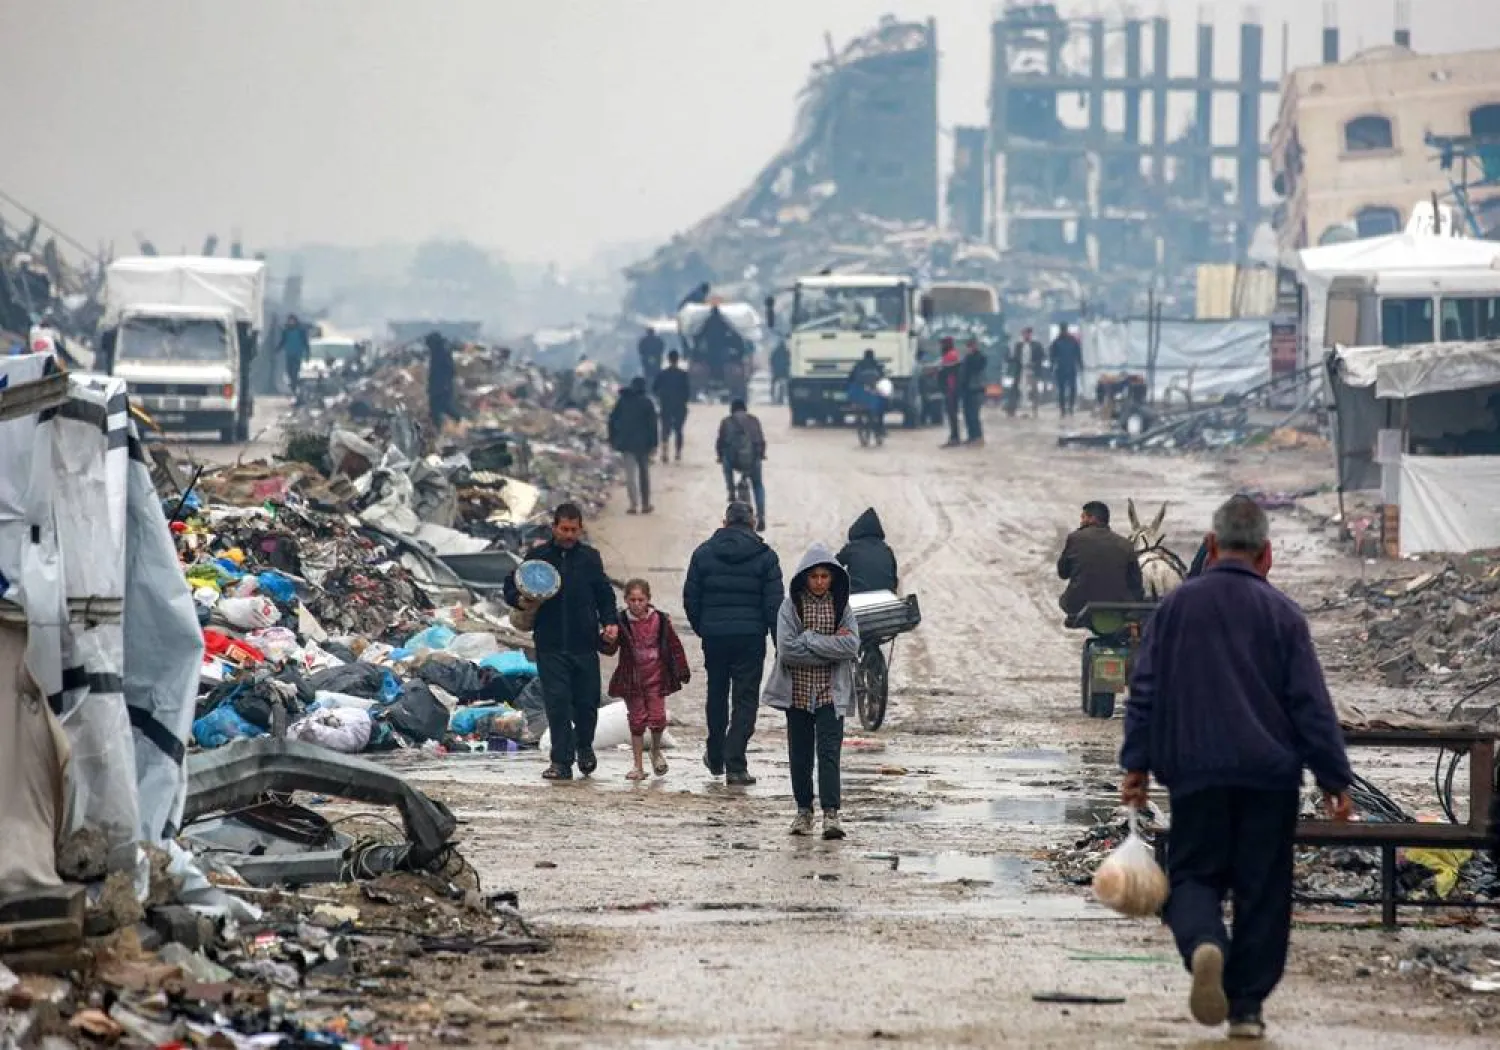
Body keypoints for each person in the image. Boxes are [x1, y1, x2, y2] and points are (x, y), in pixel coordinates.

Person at [1120, 495, 1354, 1040]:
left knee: (1194, 875)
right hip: (1269, 779)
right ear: (1267, 553)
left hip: (1195, 772)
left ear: (1209, 546)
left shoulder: (1176, 608)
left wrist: (1136, 764)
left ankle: (1204, 943)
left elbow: (1144, 690)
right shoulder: (1284, 615)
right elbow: (1310, 705)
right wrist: (1333, 779)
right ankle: (1246, 1007)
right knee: (1263, 891)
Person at [502, 504, 619, 781]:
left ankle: (585, 747)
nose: (568, 535)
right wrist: (520, 600)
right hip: (550, 643)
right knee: (557, 703)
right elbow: (512, 584)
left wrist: (610, 622)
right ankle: (561, 762)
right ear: (554, 527)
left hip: (584, 643)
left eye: (573, 530)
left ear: (580, 529)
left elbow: (604, 593)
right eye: (564, 529)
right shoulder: (538, 557)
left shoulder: (590, 558)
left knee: (587, 704)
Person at [762, 544, 861, 840]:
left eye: (824, 577)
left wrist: (809, 639)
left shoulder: (841, 607)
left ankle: (832, 814)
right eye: (814, 577)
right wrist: (830, 646)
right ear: (804, 578)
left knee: (829, 754)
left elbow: (851, 646)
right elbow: (788, 651)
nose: (819, 582)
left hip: (832, 693)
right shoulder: (790, 607)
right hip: (798, 694)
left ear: (832, 578)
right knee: (800, 755)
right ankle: (804, 811)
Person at [683, 501, 784, 785]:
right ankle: (736, 764)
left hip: (715, 637)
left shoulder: (703, 553)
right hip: (750, 638)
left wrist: (703, 628)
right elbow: (774, 606)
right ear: (753, 523)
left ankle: (715, 755)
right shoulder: (766, 556)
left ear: (724, 522)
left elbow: (691, 597)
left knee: (716, 693)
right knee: (745, 698)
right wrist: (779, 645)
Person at [600, 579, 691, 781]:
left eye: (641, 600)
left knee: (658, 719)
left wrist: (682, 670)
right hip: (632, 679)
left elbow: (674, 646)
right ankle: (637, 765)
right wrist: (607, 640)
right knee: (637, 721)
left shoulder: (660, 620)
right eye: (632, 600)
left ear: (648, 600)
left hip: (657, 677)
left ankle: (655, 751)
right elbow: (609, 649)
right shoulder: (621, 622)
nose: (637, 604)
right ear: (626, 600)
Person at [1057, 500, 1145, 628]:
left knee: (1065, 601)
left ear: (1092, 518)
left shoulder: (1075, 538)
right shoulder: (1125, 544)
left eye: (1083, 517)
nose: (1081, 521)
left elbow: (1063, 573)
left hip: (1080, 605)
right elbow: (1136, 583)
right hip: (1120, 607)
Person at [608, 377, 659, 515]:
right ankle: (646, 504)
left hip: (626, 444)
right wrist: (654, 444)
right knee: (644, 474)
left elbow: (612, 420)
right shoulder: (647, 402)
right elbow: (653, 426)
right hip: (643, 445)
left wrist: (613, 439)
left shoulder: (623, 401)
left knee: (630, 475)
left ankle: (633, 505)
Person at [716, 398, 767, 531]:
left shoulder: (726, 422)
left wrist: (720, 457)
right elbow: (761, 440)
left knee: (726, 465)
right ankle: (761, 515)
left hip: (733, 460)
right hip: (753, 458)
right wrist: (761, 454)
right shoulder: (754, 420)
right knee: (757, 484)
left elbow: (720, 443)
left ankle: (731, 491)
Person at [836, 508, 898, 594]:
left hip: (859, 599)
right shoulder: (886, 550)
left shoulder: (853, 547)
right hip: (887, 598)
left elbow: (833, 566)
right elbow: (894, 581)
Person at [652, 349, 691, 463]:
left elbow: (654, 388)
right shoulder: (683, 374)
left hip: (666, 405)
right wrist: (683, 400)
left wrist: (661, 396)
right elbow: (688, 392)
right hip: (679, 406)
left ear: (669, 359)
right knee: (679, 430)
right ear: (677, 359)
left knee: (665, 430)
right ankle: (678, 453)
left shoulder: (662, 374)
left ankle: (664, 453)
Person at [846, 349, 886, 440]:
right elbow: (882, 378)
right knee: (882, 406)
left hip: (860, 393)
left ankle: (857, 416)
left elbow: (850, 378)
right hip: (873, 393)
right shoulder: (877, 365)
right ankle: (881, 426)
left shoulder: (859, 365)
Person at [425, 330, 458, 430]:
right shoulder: (437, 352)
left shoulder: (442, 353)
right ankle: (438, 429)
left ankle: (460, 421)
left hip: (442, 388)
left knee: (443, 408)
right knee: (437, 410)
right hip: (436, 387)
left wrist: (445, 385)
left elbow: (451, 370)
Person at [1050, 325, 1084, 416]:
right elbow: (1052, 356)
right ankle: (1063, 409)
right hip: (1061, 368)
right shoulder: (1057, 342)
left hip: (1071, 367)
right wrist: (1052, 366)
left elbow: (1078, 354)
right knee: (1061, 390)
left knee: (1072, 388)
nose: (1063, 331)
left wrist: (1080, 365)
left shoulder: (1072, 341)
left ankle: (1071, 407)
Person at [960, 337, 988, 446]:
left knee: (974, 415)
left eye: (971, 346)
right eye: (968, 346)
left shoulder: (980, 357)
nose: (969, 348)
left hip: (976, 389)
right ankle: (971, 436)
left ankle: (978, 437)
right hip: (967, 389)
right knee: (967, 414)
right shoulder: (967, 358)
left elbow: (977, 368)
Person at [938, 338, 963, 448]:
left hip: (952, 388)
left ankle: (955, 438)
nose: (941, 346)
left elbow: (948, 370)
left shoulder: (951, 355)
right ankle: (954, 437)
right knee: (951, 415)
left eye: (942, 344)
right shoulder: (950, 354)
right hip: (950, 388)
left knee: (952, 415)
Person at [279, 314, 311, 397]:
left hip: (297, 354)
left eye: (292, 320)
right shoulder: (286, 331)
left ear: (295, 321)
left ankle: (294, 388)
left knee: (295, 372)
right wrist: (277, 349)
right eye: (290, 320)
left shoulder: (300, 331)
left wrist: (307, 354)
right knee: (289, 371)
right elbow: (283, 341)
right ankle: (293, 386)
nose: (291, 322)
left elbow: (305, 343)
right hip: (289, 354)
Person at [770, 338, 791, 405]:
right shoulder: (786, 352)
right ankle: (780, 399)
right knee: (782, 385)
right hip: (783, 371)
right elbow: (789, 361)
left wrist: (773, 368)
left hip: (777, 370)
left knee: (775, 384)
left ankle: (774, 398)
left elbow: (771, 360)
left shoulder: (775, 352)